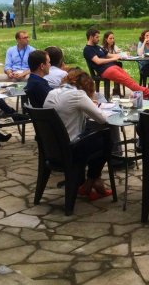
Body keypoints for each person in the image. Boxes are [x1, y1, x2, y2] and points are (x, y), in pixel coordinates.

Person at [43, 68, 114, 200]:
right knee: (106, 139)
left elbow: (68, 112)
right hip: (70, 149)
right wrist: (91, 98)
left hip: (51, 148)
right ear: (86, 85)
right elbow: (102, 119)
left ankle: (94, 180)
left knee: (95, 138)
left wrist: (87, 106)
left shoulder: (52, 93)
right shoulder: (78, 95)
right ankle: (90, 182)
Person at [83, 28, 149, 97]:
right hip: (105, 70)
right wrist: (113, 59)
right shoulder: (88, 49)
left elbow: (109, 55)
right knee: (127, 81)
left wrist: (122, 55)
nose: (99, 39)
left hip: (112, 67)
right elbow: (98, 61)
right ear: (91, 37)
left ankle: (144, 93)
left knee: (129, 79)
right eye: (97, 37)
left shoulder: (97, 47)